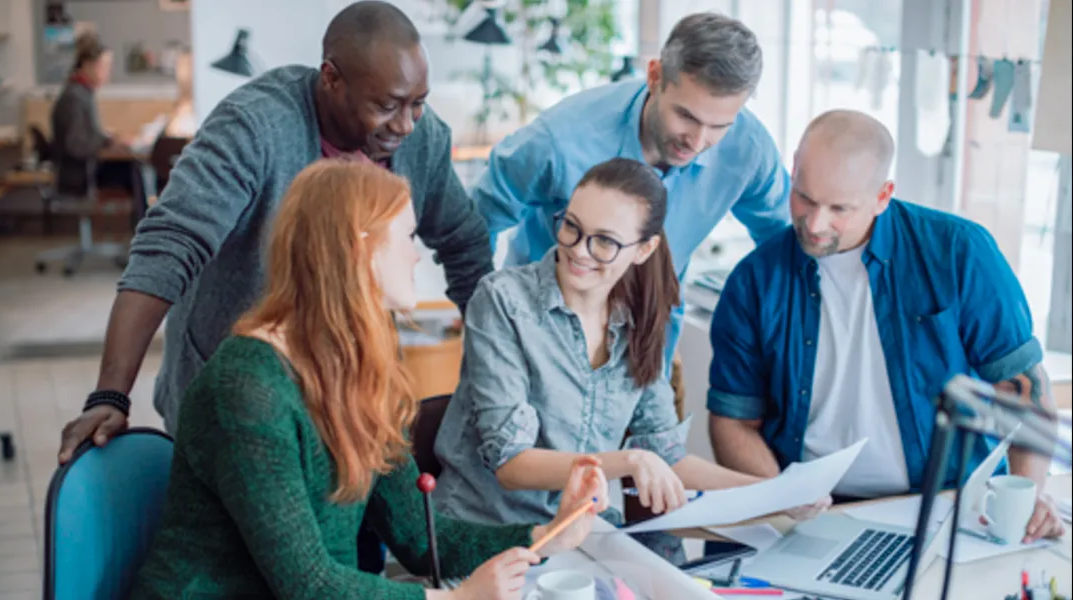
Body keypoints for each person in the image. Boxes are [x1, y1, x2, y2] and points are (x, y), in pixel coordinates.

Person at [130, 160, 610, 600]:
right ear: (360, 250)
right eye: (407, 237)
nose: (417, 256)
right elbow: (309, 586)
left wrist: (548, 534)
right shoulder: (246, 388)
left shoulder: (357, 365)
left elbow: (422, 541)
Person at [57, 1, 491, 453]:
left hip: (348, 392)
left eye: (417, 104)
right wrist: (111, 393)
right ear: (330, 78)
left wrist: (496, 368)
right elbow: (168, 248)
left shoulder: (422, 138)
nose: (404, 124)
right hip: (236, 396)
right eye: (385, 106)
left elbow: (466, 244)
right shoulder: (254, 127)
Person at [434, 158, 827, 565]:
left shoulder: (639, 320)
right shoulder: (503, 301)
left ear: (644, 249)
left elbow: (668, 456)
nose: (579, 251)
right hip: (489, 541)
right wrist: (631, 462)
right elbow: (510, 463)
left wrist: (778, 496)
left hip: (587, 541)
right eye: (572, 226)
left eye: (604, 241)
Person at [706, 109, 1065, 543]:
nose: (816, 224)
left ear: (883, 195)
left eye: (840, 208)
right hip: (812, 515)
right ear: (793, 174)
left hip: (948, 507)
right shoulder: (754, 281)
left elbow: (1025, 392)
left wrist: (1026, 495)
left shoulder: (958, 253)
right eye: (804, 198)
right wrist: (781, 499)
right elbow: (733, 420)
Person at [472, 12, 792, 371]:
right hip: (536, 344)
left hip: (648, 351)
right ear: (655, 77)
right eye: (686, 116)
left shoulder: (747, 148)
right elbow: (475, 225)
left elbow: (784, 240)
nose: (698, 141)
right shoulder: (559, 140)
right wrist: (486, 326)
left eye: (718, 126)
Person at [50, 32, 145, 211]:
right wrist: (106, 141)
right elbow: (76, 144)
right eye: (104, 66)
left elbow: (86, 134)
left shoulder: (82, 93)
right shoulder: (75, 97)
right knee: (134, 170)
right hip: (81, 174)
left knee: (134, 167)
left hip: (85, 167)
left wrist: (108, 138)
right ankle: (143, 229)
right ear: (87, 65)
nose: (107, 74)